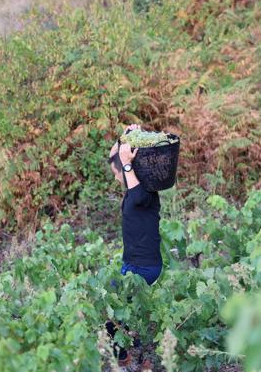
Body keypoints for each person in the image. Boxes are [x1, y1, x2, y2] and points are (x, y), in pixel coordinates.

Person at [105, 124, 163, 366]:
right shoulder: (135, 186)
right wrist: (127, 137)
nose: (116, 175)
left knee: (115, 315)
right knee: (117, 307)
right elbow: (116, 158)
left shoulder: (144, 191)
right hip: (132, 263)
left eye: (116, 171)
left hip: (144, 267)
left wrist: (127, 163)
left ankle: (128, 360)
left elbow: (138, 195)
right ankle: (135, 353)